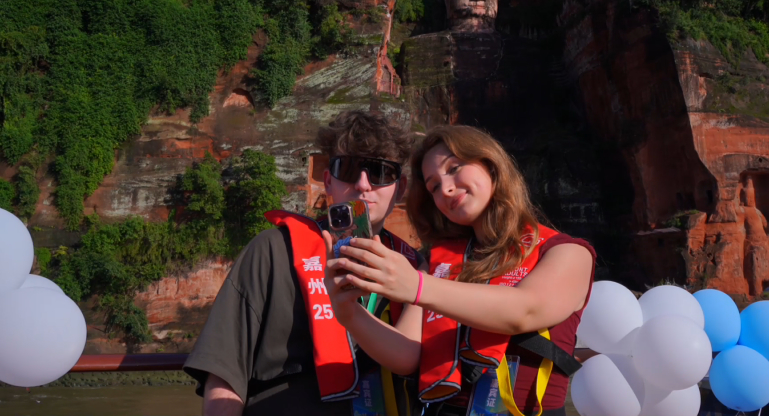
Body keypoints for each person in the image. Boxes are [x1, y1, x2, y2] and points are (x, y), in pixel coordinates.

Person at [325, 125, 596, 416]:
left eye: (454, 168)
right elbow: (406, 355)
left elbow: (525, 310)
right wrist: (349, 313)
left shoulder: (568, 253)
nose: (446, 189)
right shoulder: (437, 262)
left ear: (491, 164)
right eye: (433, 187)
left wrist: (417, 286)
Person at [184, 110, 424, 416]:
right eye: (348, 168)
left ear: (400, 188)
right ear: (328, 181)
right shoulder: (272, 250)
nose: (363, 184)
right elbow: (224, 373)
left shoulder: (415, 270)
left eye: (380, 172)